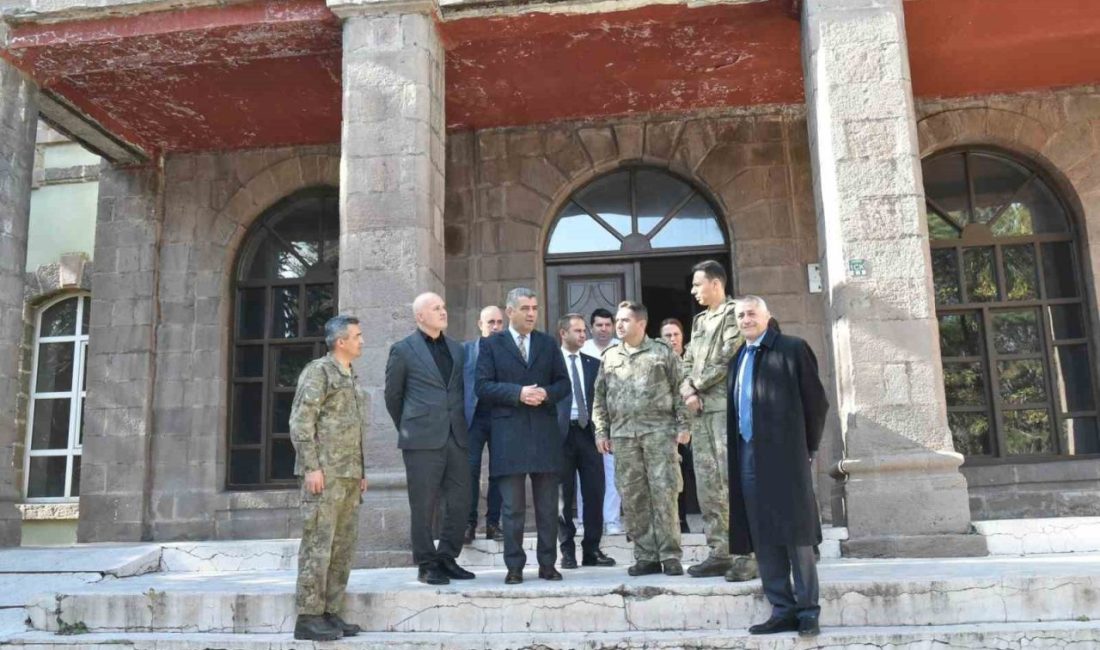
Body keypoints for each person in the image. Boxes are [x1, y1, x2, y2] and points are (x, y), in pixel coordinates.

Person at [728, 295, 829, 638]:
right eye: (741, 315)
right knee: (763, 533)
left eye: (752, 313)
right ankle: (781, 609)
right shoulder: (738, 358)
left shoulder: (793, 349)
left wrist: (809, 446)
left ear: (767, 316)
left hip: (787, 455)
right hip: (748, 455)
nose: (746, 319)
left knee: (796, 533)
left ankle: (807, 610)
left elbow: (816, 402)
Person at [476, 287, 571, 584]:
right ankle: (514, 567)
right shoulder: (492, 346)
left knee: (546, 508)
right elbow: (482, 386)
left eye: (534, 308)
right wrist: (518, 393)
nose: (531, 313)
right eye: (525, 308)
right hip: (508, 436)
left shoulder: (547, 343)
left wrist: (545, 393)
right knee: (512, 509)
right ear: (510, 311)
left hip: (544, 435)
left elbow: (563, 384)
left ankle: (547, 565)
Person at [384, 293, 475, 586]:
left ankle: (447, 557)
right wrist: (410, 426)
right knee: (423, 504)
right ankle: (426, 563)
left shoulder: (456, 349)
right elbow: (393, 396)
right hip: (421, 438)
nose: (443, 311)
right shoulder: (403, 350)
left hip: (456, 436)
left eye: (444, 307)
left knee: (461, 501)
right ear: (420, 316)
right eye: (436, 308)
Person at [593, 301, 689, 577]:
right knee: (633, 497)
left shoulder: (662, 352)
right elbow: (599, 397)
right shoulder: (610, 356)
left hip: (659, 434)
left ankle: (670, 554)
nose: (618, 325)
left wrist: (684, 426)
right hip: (623, 437)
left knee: (665, 493)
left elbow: (681, 389)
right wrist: (601, 431)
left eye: (624, 320)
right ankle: (645, 555)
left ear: (641, 324)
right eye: (617, 320)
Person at [289, 315, 369, 641]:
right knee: (318, 546)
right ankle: (308, 616)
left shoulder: (351, 376)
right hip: (324, 475)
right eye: (357, 336)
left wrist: (361, 472)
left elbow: (354, 428)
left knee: (342, 547)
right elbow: (301, 422)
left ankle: (330, 612)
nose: (362, 341)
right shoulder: (319, 372)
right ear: (341, 342)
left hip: (348, 476)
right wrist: (311, 467)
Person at [680, 260, 757, 581]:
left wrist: (695, 385)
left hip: (725, 411)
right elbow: (687, 359)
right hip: (699, 414)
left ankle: (747, 553)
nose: (694, 291)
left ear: (716, 283)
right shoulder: (699, 322)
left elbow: (727, 356)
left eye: (698, 285)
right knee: (709, 485)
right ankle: (719, 551)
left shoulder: (734, 314)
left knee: (732, 482)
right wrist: (687, 389)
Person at [556, 313, 616, 570]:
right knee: (562, 496)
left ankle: (592, 549)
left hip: (589, 435)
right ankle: (566, 551)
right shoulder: (551, 363)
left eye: (583, 331)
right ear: (563, 333)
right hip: (560, 436)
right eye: (578, 331)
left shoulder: (594, 363)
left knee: (594, 492)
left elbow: (602, 400)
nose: (583, 335)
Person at [463, 305, 506, 544]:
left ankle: (493, 523)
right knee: (469, 471)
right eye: (491, 322)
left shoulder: (510, 352)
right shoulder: (465, 351)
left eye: (500, 322)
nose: (496, 327)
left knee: (498, 473)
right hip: (473, 419)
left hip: (500, 418)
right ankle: (469, 524)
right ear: (480, 325)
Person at [580, 307, 623, 536]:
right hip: (586, 420)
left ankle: (612, 519)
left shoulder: (620, 348)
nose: (604, 329)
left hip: (614, 419)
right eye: (599, 325)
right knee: (584, 472)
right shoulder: (583, 348)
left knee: (612, 470)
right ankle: (582, 520)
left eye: (608, 325)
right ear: (591, 327)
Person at [661, 317, 697, 535]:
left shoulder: (692, 361)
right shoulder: (658, 364)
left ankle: (687, 518)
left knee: (693, 474)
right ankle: (676, 521)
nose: (672, 339)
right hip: (666, 429)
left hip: (695, 426)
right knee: (673, 478)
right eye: (667, 335)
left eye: (676, 334)